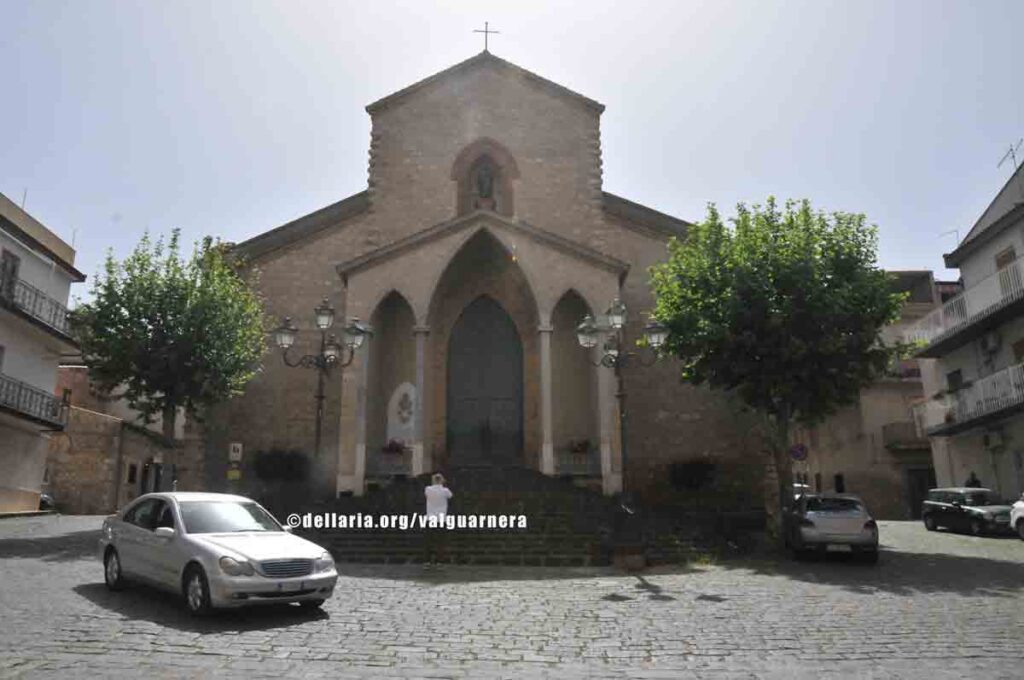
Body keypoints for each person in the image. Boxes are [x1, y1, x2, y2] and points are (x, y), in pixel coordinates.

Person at [423, 473, 453, 566]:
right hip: (441, 518)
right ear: (442, 480)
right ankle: (440, 561)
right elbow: (450, 496)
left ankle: (427, 560)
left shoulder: (428, 489)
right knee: (440, 541)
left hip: (430, 517)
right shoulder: (445, 490)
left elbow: (426, 495)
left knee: (429, 540)